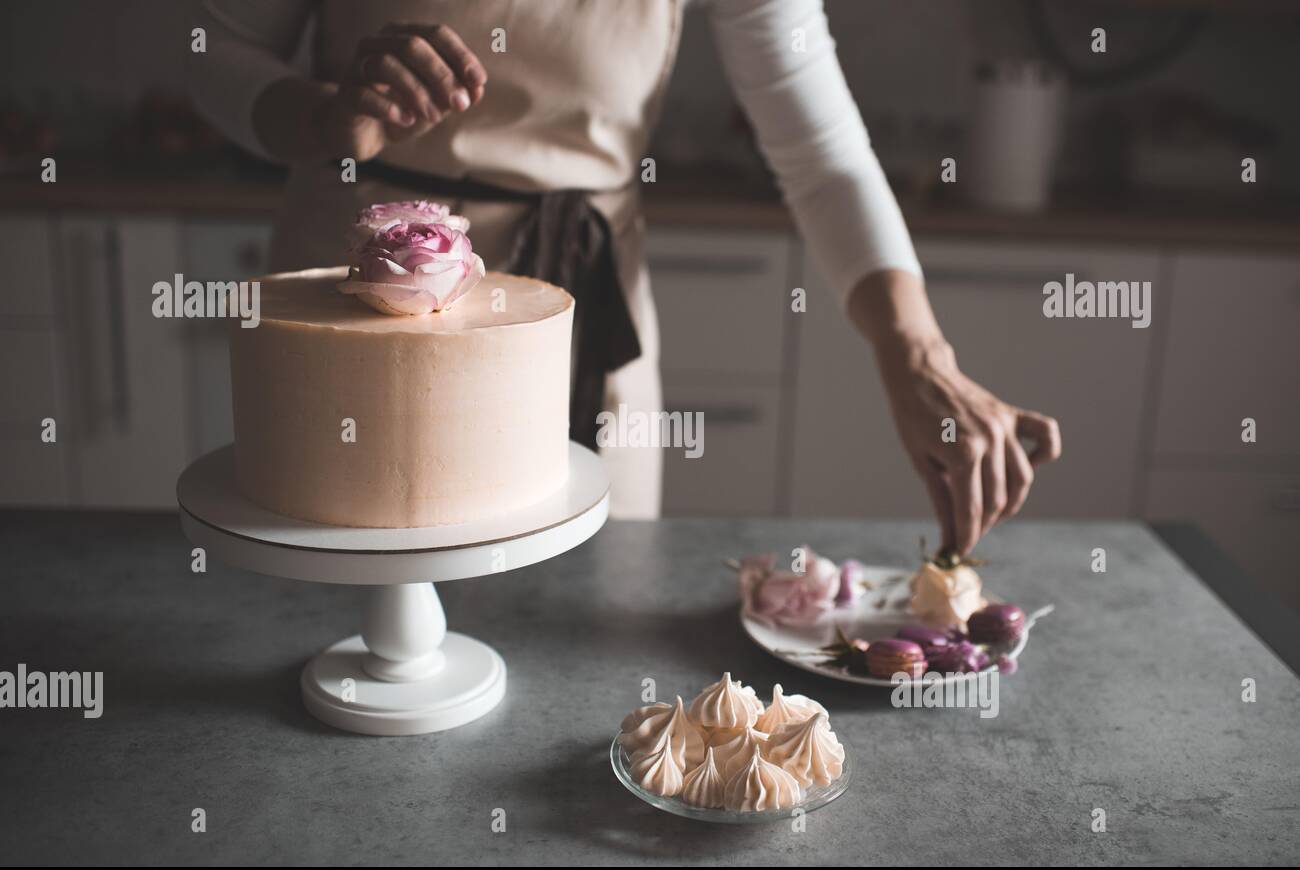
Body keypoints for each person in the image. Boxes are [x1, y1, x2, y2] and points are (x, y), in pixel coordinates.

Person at [190, 0, 1061, 554]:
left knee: (590, 624)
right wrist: (323, 114)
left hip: (590, 314)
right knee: (353, 626)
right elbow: (212, 48)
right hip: (363, 310)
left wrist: (916, 350)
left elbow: (821, 152)